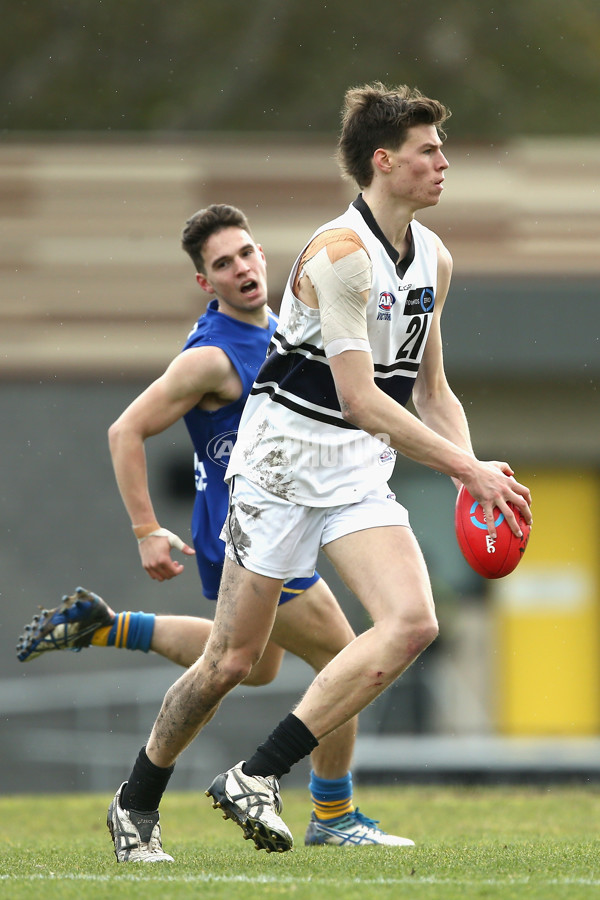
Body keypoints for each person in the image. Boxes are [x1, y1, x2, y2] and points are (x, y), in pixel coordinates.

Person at [104, 82, 533, 860]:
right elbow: (362, 398)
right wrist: (468, 473)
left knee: (411, 623)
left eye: (441, 149)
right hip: (278, 467)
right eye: (427, 151)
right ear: (384, 162)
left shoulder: (433, 255)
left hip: (356, 470)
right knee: (233, 661)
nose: (443, 163)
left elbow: (429, 390)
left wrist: (471, 466)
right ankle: (135, 803)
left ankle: (264, 779)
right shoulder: (339, 256)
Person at [16, 203, 411, 856]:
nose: (242, 269)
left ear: (262, 255)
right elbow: (125, 431)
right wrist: (145, 528)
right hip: (252, 531)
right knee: (339, 661)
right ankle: (331, 815)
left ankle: (113, 631)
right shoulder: (212, 357)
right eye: (223, 264)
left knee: (246, 667)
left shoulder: (282, 328)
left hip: (272, 522)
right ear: (206, 283)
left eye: (247, 253)